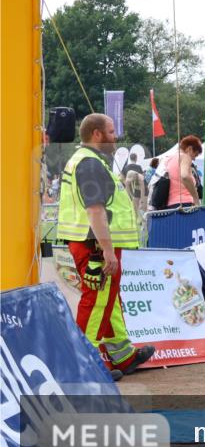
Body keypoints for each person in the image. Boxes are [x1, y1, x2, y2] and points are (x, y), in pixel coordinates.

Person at [56, 113, 155, 380]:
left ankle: (123, 356)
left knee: (107, 301)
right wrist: (107, 250)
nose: (116, 137)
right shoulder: (90, 164)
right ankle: (82, 366)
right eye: (111, 132)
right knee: (97, 302)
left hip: (92, 243)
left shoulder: (87, 161)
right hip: (95, 246)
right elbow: (95, 210)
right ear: (97, 134)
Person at [163, 135, 203, 209]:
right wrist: (196, 198)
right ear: (190, 149)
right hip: (186, 204)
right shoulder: (185, 157)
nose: (194, 159)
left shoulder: (168, 159)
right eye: (195, 154)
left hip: (170, 205)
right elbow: (184, 176)